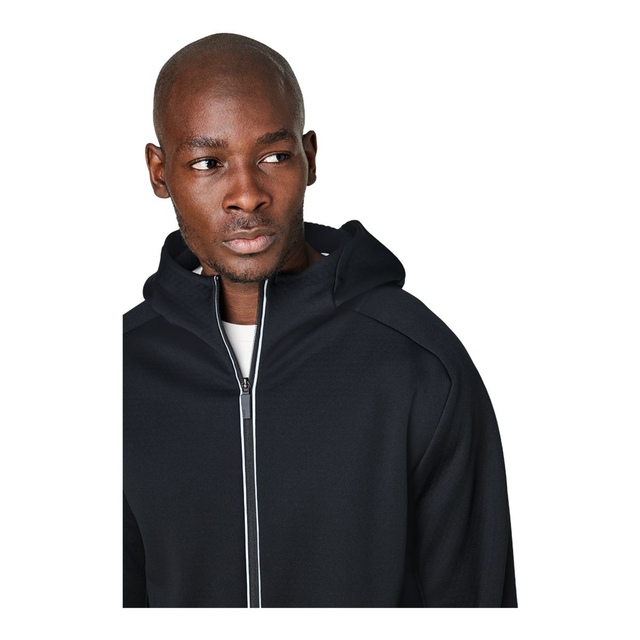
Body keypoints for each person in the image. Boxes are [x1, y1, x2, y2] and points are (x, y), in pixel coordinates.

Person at [123, 33, 517, 608]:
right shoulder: (119, 371)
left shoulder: (420, 365)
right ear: (160, 173)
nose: (246, 195)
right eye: (208, 163)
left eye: (273, 156)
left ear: (309, 157)